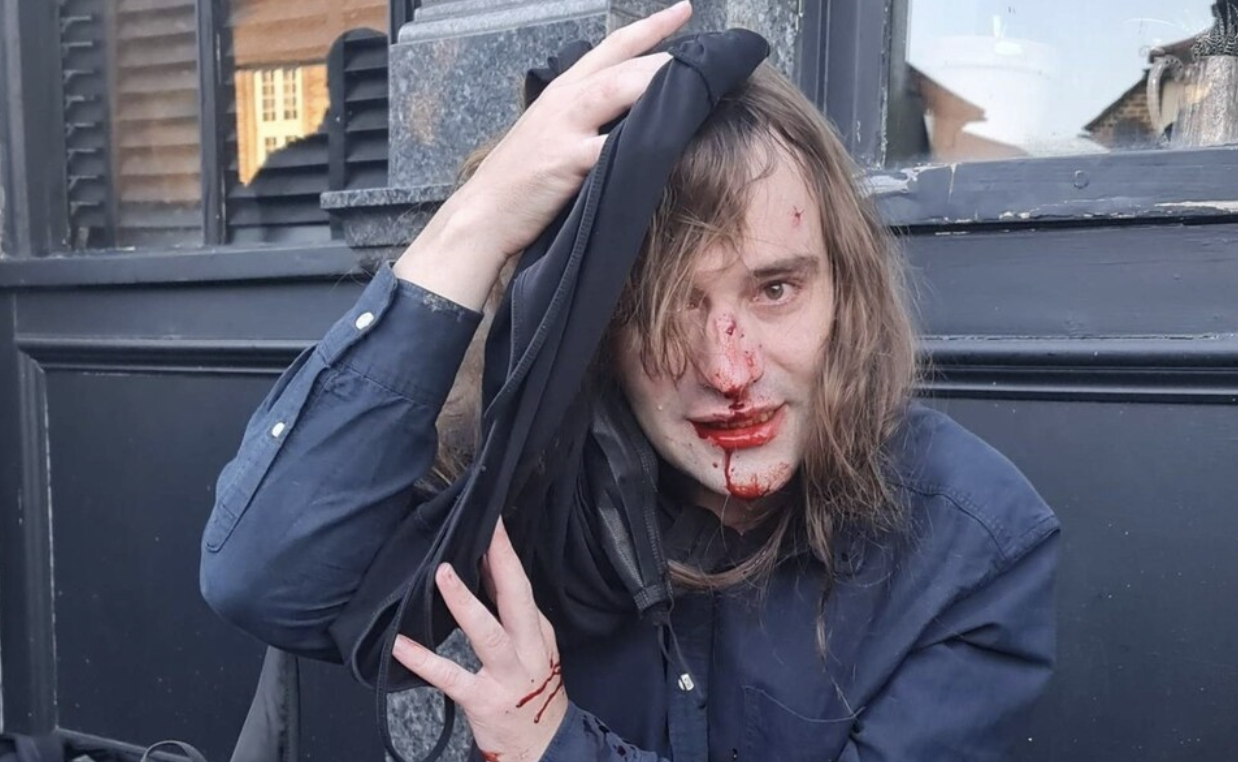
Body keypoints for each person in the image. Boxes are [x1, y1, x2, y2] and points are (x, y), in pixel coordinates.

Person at [200, 3, 1060, 761]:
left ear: (846, 289)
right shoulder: (538, 473)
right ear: (601, 335)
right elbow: (267, 578)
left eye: (775, 289)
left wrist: (552, 746)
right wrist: (480, 219)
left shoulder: (970, 546)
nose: (730, 371)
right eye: (660, 310)